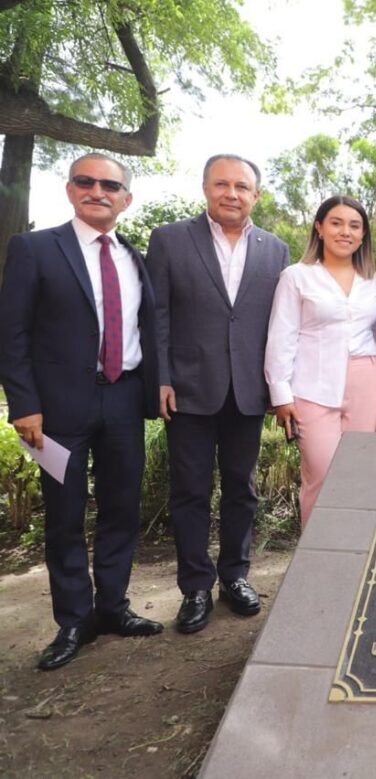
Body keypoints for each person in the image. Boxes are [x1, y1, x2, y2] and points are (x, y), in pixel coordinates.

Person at [0, 153, 163, 669]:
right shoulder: (34, 249)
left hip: (123, 400)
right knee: (65, 515)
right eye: (86, 181)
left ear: (126, 198)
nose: (98, 191)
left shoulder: (133, 258)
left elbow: (145, 330)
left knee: (121, 509)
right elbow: (13, 332)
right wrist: (24, 404)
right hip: (56, 410)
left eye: (110, 185)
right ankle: (74, 621)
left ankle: (113, 607)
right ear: (70, 189)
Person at [147, 154, 290, 635]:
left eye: (242, 186)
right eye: (222, 184)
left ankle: (235, 576)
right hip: (187, 388)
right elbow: (158, 314)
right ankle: (194, 587)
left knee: (242, 490)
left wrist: (278, 386)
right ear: (205, 188)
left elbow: (279, 325)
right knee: (189, 491)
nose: (232, 193)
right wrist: (160, 377)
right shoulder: (169, 240)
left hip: (248, 389)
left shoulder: (276, 250)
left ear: (257, 195)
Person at [265, 196, 376, 525]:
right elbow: (281, 336)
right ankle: (317, 566)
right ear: (319, 227)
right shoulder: (296, 277)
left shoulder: (372, 279)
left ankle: (355, 559)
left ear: (362, 235)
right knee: (322, 471)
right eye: (336, 223)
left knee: (360, 474)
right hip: (311, 387)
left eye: (354, 225)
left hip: (366, 383)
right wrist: (281, 396)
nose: (345, 231)